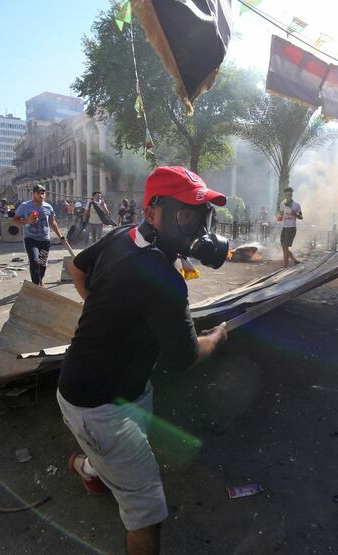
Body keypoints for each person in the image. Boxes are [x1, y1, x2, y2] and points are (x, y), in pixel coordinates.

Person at [57, 166, 229, 555]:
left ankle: (87, 468)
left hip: (114, 390)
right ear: (152, 212)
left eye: (203, 216)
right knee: (147, 511)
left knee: (115, 456)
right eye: (186, 215)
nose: (198, 228)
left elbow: (77, 268)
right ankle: (93, 466)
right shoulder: (164, 279)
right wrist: (217, 336)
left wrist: (106, 313)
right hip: (100, 407)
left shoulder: (122, 236)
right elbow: (186, 356)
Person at [11, 184, 61, 286]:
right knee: (34, 261)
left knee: (42, 263)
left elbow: (53, 222)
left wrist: (60, 236)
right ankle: (36, 285)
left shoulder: (48, 207)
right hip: (31, 239)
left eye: (42, 193)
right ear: (33, 194)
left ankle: (39, 280)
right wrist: (27, 221)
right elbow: (14, 220)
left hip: (45, 239)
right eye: (38, 193)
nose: (41, 195)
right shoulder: (25, 206)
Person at [277, 187, 302, 267]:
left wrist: (294, 213)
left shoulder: (296, 205)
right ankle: (294, 261)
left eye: (289, 194)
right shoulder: (282, 204)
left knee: (285, 247)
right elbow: (281, 215)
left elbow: (301, 217)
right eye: (286, 195)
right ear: (284, 195)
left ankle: (285, 266)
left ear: (292, 195)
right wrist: (279, 217)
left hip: (291, 228)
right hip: (284, 227)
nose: (288, 196)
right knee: (284, 247)